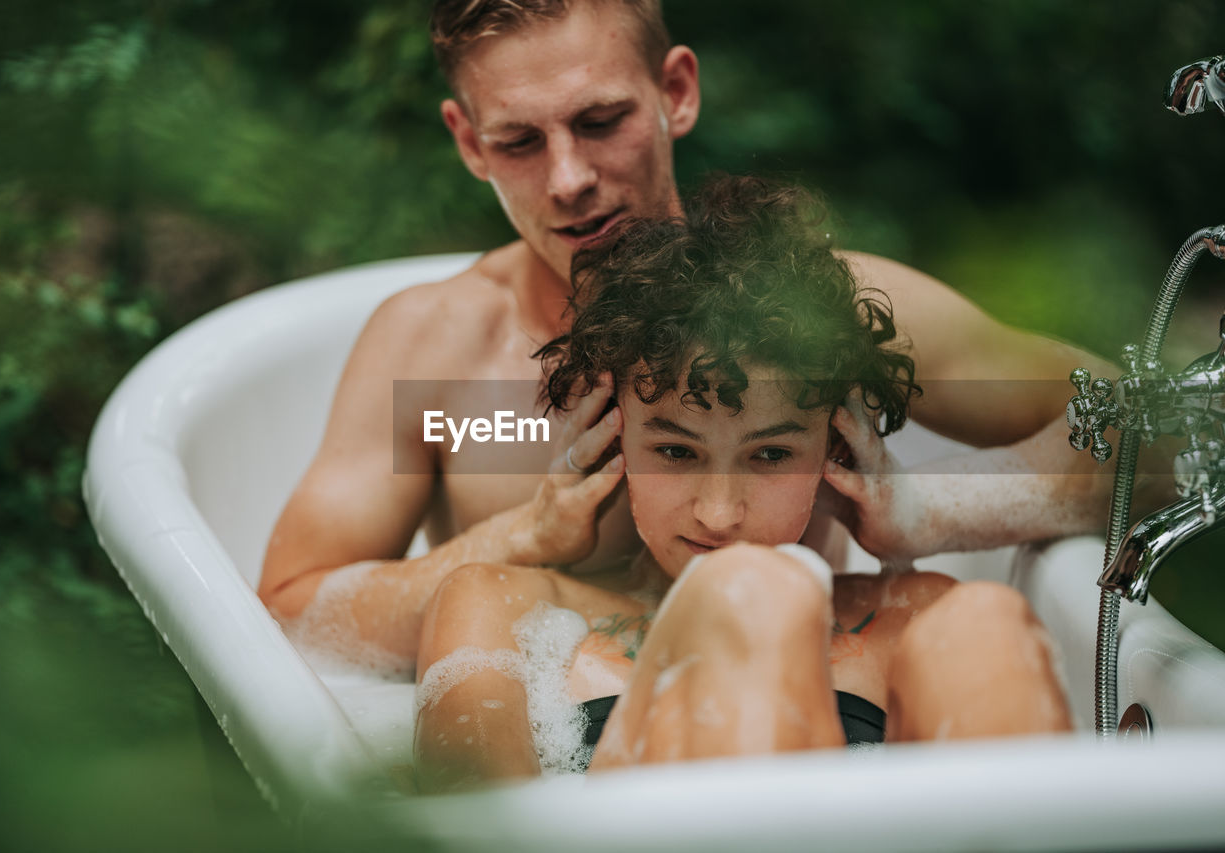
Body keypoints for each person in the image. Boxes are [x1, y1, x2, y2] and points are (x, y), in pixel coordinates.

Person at [256, 0, 1147, 669]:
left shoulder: (822, 310)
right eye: (520, 142)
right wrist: (522, 537)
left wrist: (929, 512)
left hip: (813, 721)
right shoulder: (441, 356)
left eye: (601, 122)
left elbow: (1159, 438)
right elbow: (291, 614)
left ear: (675, 91)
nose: (569, 178)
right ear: (469, 144)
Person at [412, 175, 1072, 791]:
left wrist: (927, 512)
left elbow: (1149, 428)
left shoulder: (917, 621)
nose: (719, 513)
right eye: (675, 450)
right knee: (757, 594)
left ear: (832, 450)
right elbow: (465, 829)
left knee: (988, 618)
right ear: (615, 436)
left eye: (770, 455)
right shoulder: (502, 608)